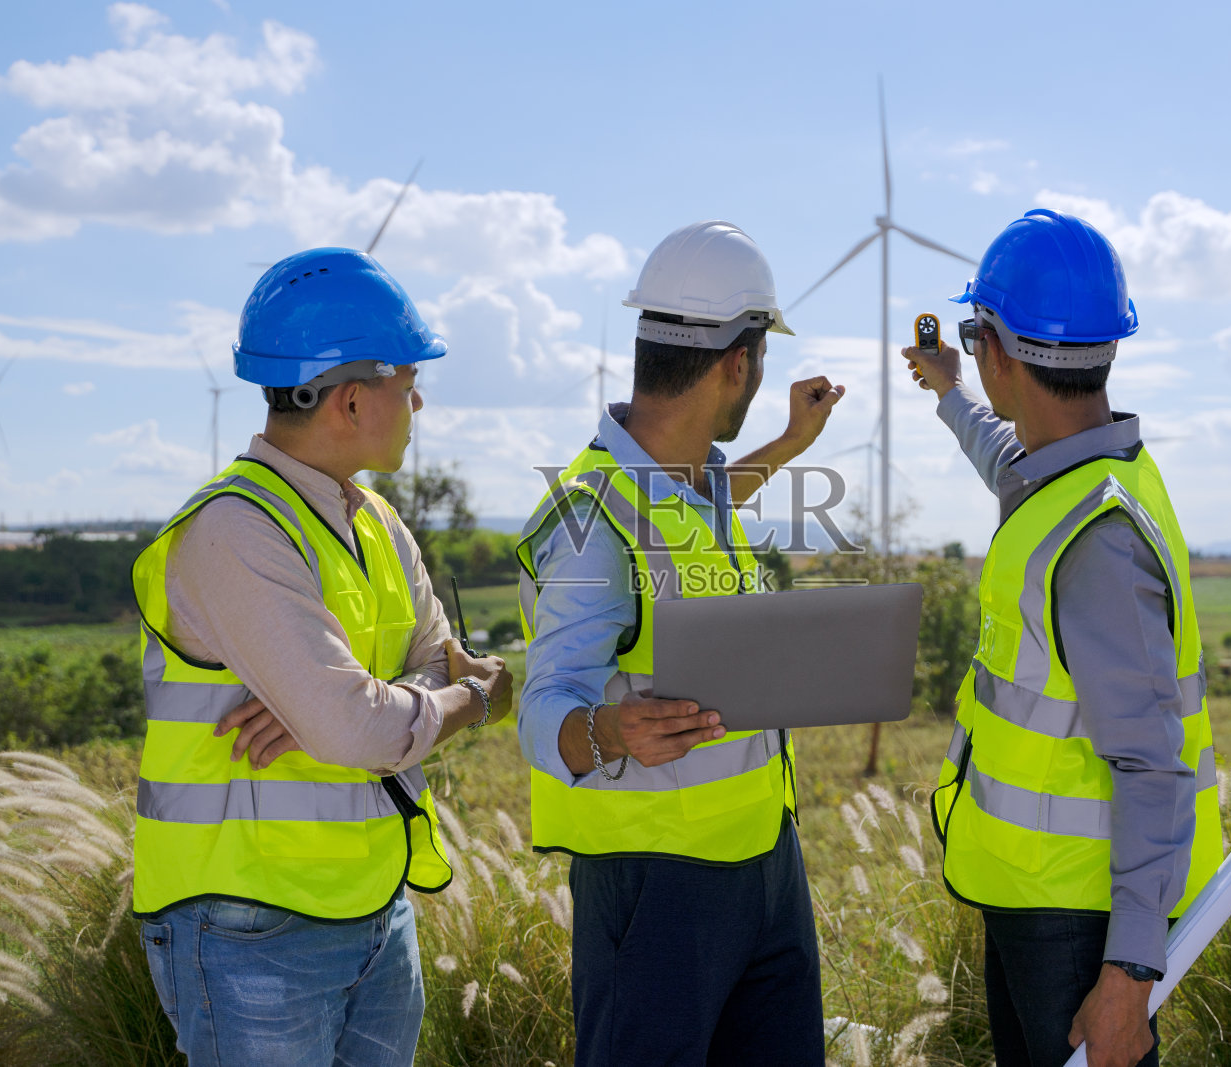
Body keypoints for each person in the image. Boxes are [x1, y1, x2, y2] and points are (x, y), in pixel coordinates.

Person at [131, 247, 513, 1066]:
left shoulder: (374, 520)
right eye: (407, 381)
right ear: (349, 399)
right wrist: (462, 705)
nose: (418, 401)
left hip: (374, 905)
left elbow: (429, 665)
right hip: (247, 925)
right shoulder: (236, 531)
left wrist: (351, 708)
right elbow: (413, 701)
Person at [514, 220, 845, 1066]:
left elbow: (694, 516)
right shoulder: (594, 515)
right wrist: (604, 733)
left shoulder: (690, 485)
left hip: (765, 857)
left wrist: (785, 447)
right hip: (655, 883)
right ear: (741, 363)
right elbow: (543, 699)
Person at [906, 209, 1222, 1067]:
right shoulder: (1087, 471)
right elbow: (1009, 456)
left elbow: (1154, 762)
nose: (974, 352)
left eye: (975, 337)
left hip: (1080, 923)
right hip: (1040, 895)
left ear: (1002, 348)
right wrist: (948, 389)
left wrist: (1127, 977)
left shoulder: (1099, 544)